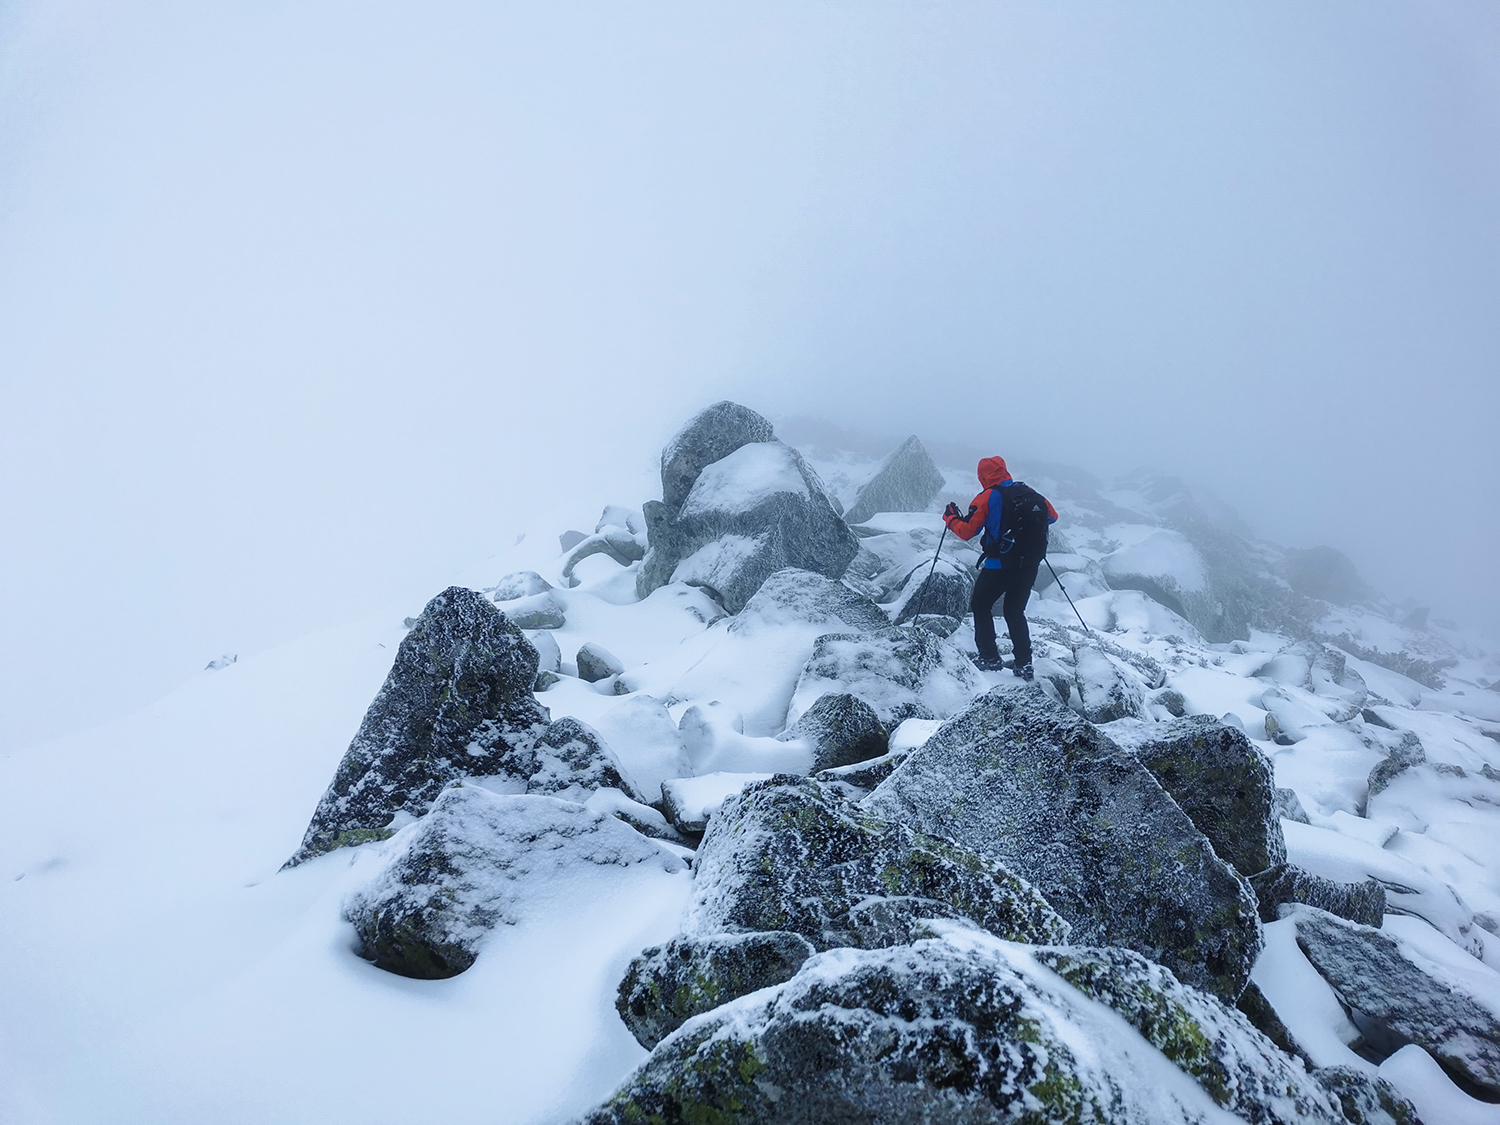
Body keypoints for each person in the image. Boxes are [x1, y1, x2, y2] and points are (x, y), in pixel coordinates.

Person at [942, 456, 1058, 679]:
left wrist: (950, 519)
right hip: (1030, 564)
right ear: (1004, 470)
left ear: (982, 476)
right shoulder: (1029, 492)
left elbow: (967, 532)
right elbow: (1052, 517)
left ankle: (989, 658)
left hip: (999, 564)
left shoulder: (987, 497)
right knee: (1015, 611)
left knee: (981, 604)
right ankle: (1024, 663)